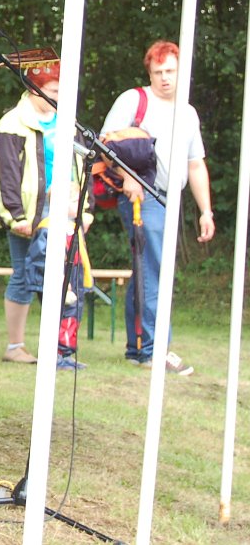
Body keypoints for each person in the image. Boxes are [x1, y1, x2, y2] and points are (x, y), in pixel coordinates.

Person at [101, 40, 214, 375]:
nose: (165, 78)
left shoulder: (188, 113)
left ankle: (139, 349)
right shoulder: (134, 100)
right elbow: (105, 144)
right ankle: (156, 350)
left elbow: (195, 165)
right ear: (149, 72)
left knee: (147, 269)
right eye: (158, 71)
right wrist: (127, 176)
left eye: (170, 71)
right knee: (155, 269)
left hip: (172, 199)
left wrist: (205, 211)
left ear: (182, 72)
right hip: (141, 196)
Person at [0, 65, 94, 369]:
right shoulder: (12, 123)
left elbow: (79, 167)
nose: (60, 98)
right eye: (53, 91)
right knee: (24, 275)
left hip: (65, 210)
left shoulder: (68, 124)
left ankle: (59, 349)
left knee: (67, 279)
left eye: (63, 92)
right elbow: (6, 174)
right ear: (34, 89)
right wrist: (15, 216)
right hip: (30, 213)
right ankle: (15, 346)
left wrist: (83, 209)